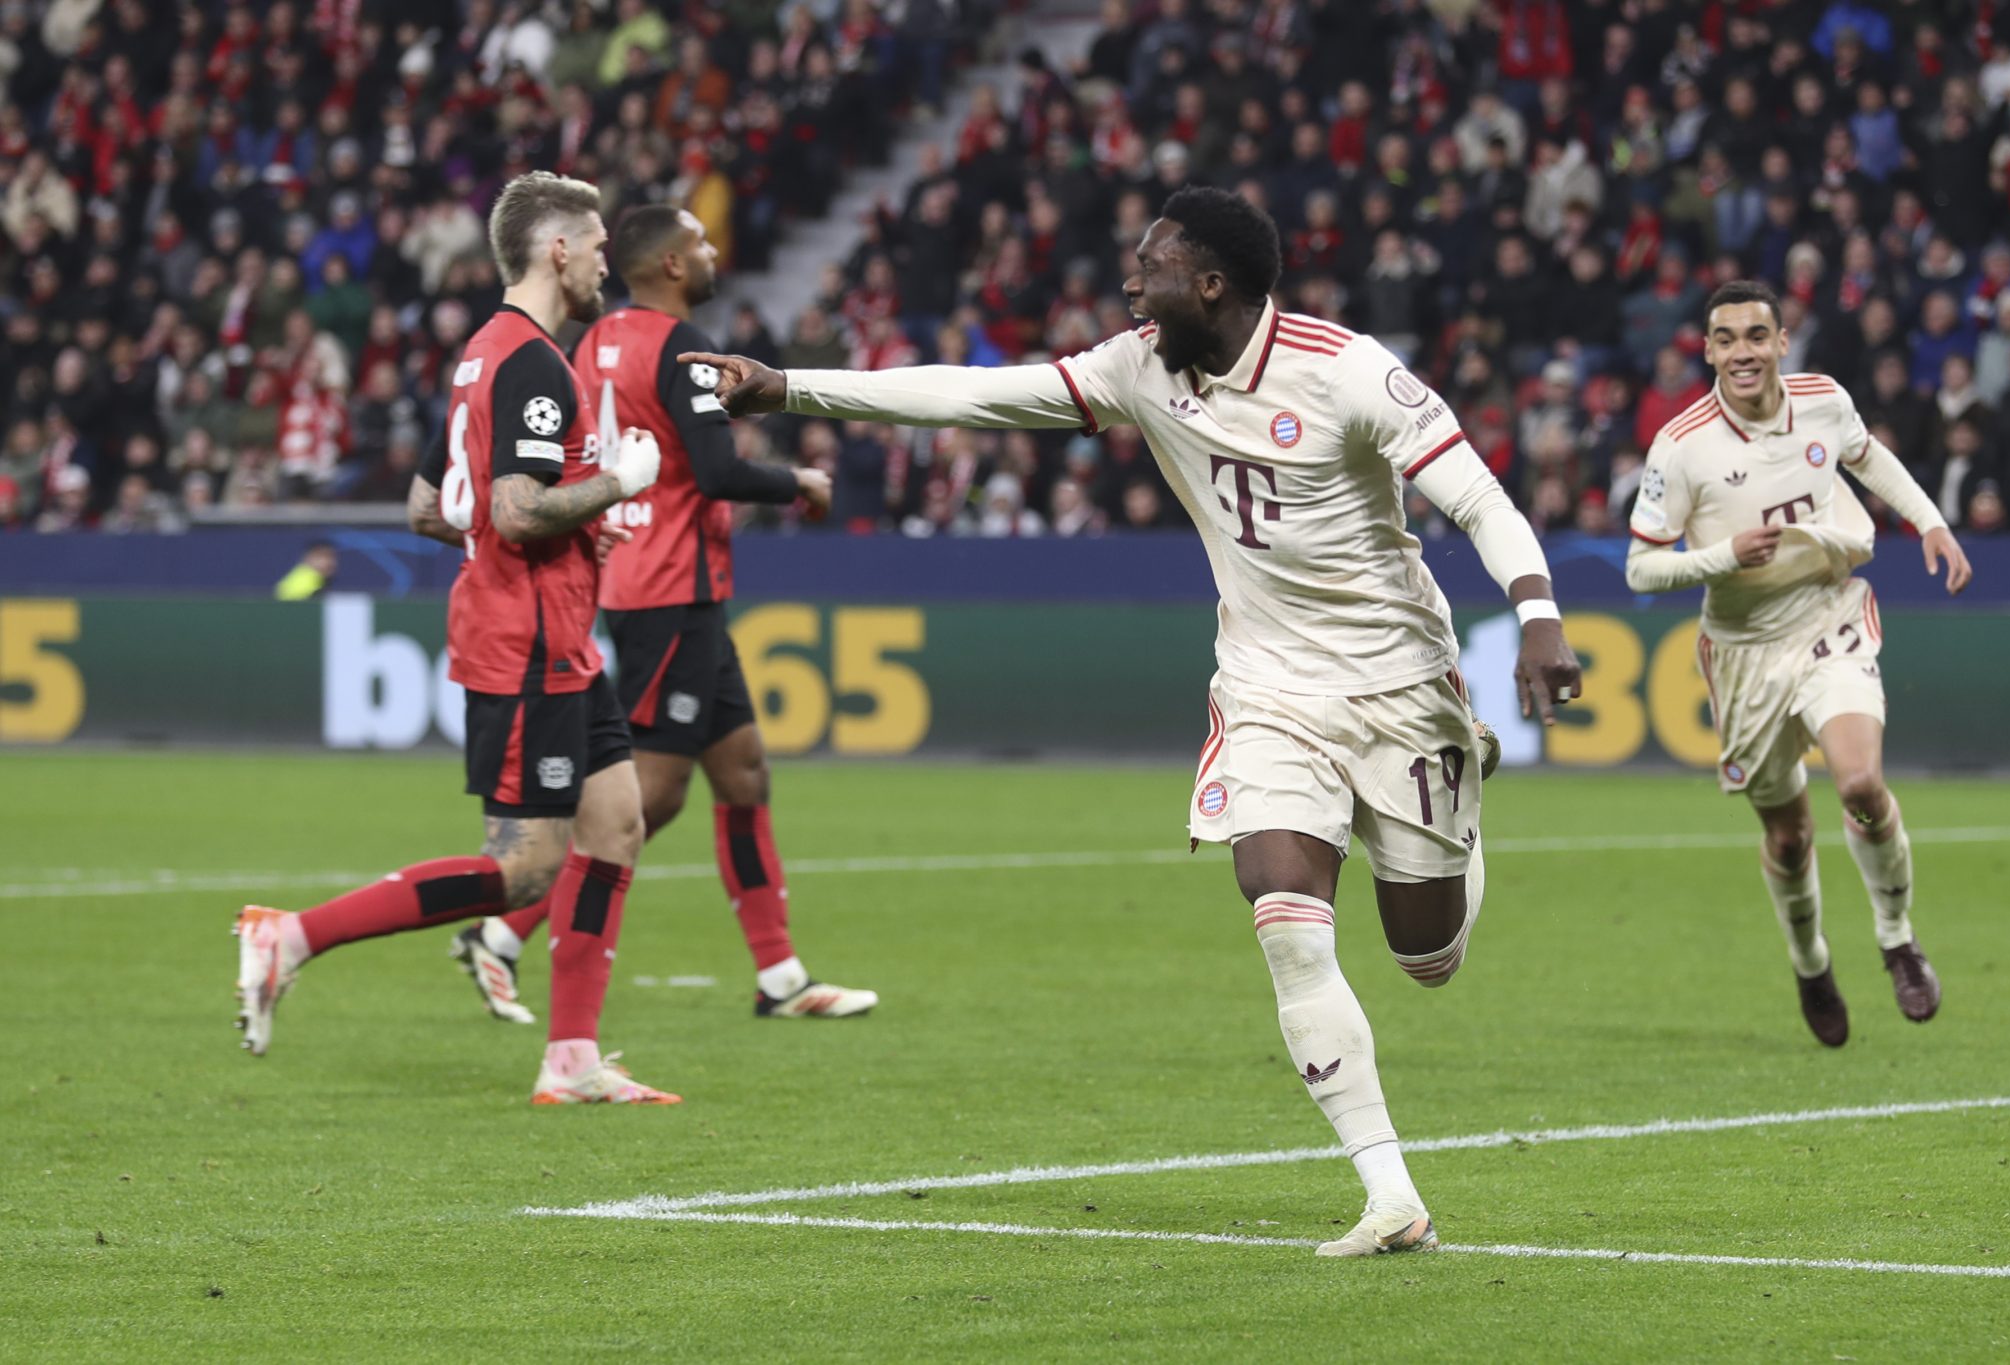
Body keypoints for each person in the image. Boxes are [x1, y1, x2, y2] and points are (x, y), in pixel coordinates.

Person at [679, 187, 1582, 1257]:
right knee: (1282, 913)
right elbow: (975, 397)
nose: (1127, 283)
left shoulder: (1344, 369)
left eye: (1147, 265)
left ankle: (1459, 817)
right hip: (1267, 687)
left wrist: (1535, 615)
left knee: (1424, 955)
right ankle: (1388, 1192)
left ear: (1209, 283)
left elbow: (1478, 496)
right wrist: (788, 389)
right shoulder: (1136, 365)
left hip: (1396, 683)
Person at [234, 172, 680, 1105]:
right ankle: (294, 936)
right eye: (596, 243)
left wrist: (564, 525)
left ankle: (573, 1057)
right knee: (526, 866)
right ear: (556, 250)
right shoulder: (530, 365)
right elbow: (513, 514)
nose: (607, 260)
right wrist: (615, 488)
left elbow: (431, 508)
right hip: (523, 643)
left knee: (619, 824)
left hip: (553, 637)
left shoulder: (483, 355)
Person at [449, 205, 877, 1023]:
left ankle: (781, 975)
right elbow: (714, 471)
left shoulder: (584, 343)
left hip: (648, 583)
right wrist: (801, 483)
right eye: (703, 245)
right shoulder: (680, 347)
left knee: (744, 770)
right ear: (673, 266)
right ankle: (502, 932)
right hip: (670, 586)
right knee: (646, 798)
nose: (715, 254)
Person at [1625, 279, 1971, 1047]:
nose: (1741, 352)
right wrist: (1720, 555)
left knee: (1860, 783)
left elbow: (1868, 457)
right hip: (1745, 651)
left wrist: (1930, 522)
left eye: (1756, 335)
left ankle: (1897, 938)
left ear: (1782, 341)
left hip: (1826, 614)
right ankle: (1811, 961)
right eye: (1725, 338)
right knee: (1788, 836)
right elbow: (1640, 570)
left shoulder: (1822, 399)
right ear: (1708, 349)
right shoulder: (1681, 446)